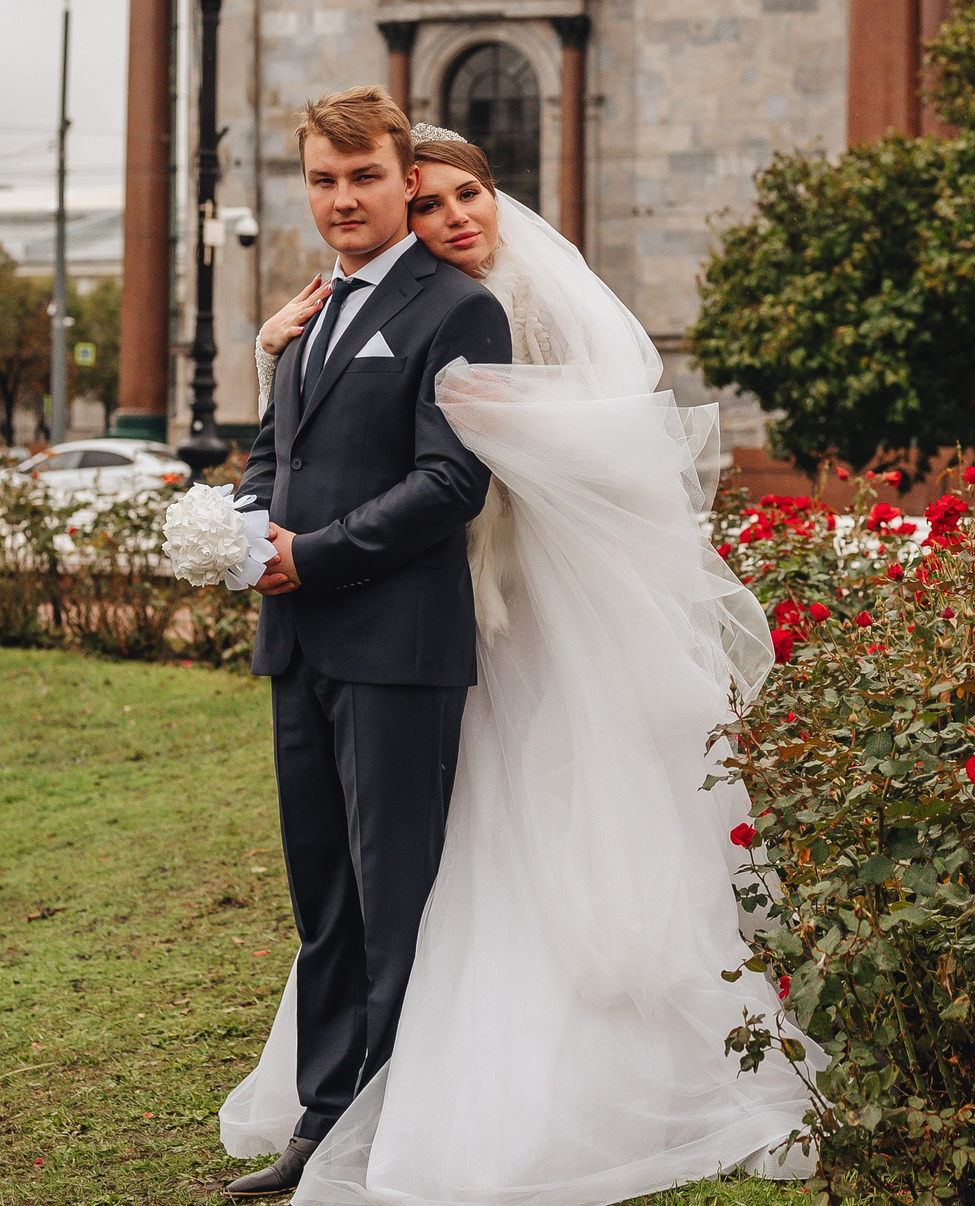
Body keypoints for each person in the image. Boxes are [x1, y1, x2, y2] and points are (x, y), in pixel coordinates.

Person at [225, 123, 813, 1204]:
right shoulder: (343, 304)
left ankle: (417, 1094)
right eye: (432, 202)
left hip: (506, 596)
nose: (452, 217)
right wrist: (271, 368)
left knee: (487, 841)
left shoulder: (499, 308)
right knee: (398, 865)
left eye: (465, 195)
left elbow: (512, 462)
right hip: (419, 603)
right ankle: (344, 1099)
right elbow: (315, 439)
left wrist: (511, 438)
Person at [226, 88, 513, 1199]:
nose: (342, 198)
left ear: (405, 180)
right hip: (297, 642)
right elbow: (277, 452)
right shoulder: (312, 309)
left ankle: (387, 1133)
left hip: (398, 645)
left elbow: (450, 481)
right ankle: (323, 1118)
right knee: (325, 899)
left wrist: (315, 554)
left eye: (364, 177)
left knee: (397, 903)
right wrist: (240, 533)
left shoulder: (458, 309)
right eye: (323, 179)